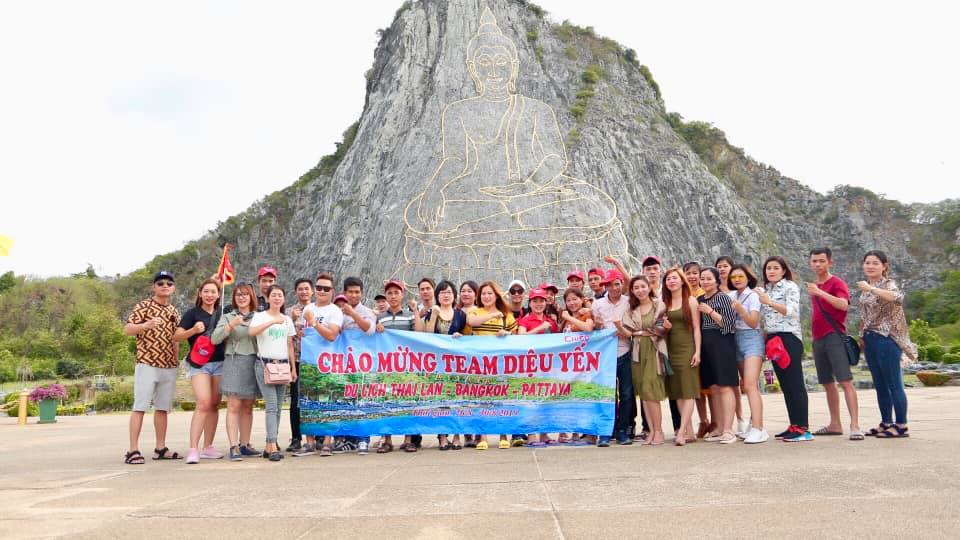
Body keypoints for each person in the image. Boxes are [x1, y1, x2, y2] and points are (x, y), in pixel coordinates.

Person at [122, 271, 182, 464]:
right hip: (147, 361)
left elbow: (176, 338)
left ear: (173, 288)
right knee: (140, 406)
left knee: (163, 408)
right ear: (154, 287)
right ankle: (133, 450)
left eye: (169, 283)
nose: (165, 286)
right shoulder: (144, 306)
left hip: (168, 364)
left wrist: (175, 358)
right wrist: (145, 325)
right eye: (161, 283)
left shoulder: (173, 311)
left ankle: (160, 447)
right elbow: (127, 329)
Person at [857, 250, 917, 439]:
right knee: (880, 384)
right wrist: (861, 336)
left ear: (884, 266)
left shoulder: (888, 284)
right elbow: (865, 314)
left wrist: (871, 289)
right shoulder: (868, 286)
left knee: (894, 383)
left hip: (887, 339)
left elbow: (897, 297)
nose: (870, 266)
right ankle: (886, 422)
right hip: (871, 339)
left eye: (875, 263)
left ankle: (901, 425)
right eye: (867, 263)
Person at [755, 257, 812, 442]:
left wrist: (768, 301)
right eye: (768, 268)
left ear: (783, 270)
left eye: (775, 268)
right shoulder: (768, 289)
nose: (771, 271)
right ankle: (794, 425)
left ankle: (803, 428)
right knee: (786, 385)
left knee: (795, 383)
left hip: (788, 338)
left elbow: (792, 311)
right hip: (773, 339)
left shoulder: (790, 287)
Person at [808, 247, 861, 438]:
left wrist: (820, 293)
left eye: (822, 261)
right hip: (818, 339)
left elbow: (843, 305)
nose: (818, 264)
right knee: (827, 383)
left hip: (834, 337)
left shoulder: (836, 282)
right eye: (814, 261)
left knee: (845, 381)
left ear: (830, 262)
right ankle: (835, 424)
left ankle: (855, 426)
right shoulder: (814, 285)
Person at [175, 279, 226, 464]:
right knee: (203, 403)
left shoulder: (223, 313)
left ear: (218, 294)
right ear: (200, 293)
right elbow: (177, 336)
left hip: (220, 362)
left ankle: (208, 446)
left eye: (213, 292)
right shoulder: (192, 313)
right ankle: (193, 448)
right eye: (206, 291)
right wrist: (193, 330)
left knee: (214, 404)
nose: (210, 295)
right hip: (200, 364)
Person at [294, 273, 343, 457]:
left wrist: (313, 322)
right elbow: (302, 331)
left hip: (328, 362)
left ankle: (327, 442)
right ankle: (309, 441)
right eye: (319, 287)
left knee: (328, 400)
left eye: (326, 289)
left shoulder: (334, 311)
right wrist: (301, 331)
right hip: (308, 360)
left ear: (332, 291)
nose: (322, 291)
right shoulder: (308, 307)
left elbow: (332, 335)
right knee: (307, 401)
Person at [212, 283, 261, 461]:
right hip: (234, 361)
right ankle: (233, 446)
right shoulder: (227, 317)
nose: (241, 297)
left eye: (245, 294)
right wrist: (231, 325)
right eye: (238, 295)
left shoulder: (259, 316)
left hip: (253, 361)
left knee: (248, 406)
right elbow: (215, 339)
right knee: (234, 406)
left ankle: (245, 444)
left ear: (251, 297)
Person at [466, 281, 517, 450]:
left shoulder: (507, 315)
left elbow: (517, 335)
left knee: (501, 400)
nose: (486, 297)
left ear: (496, 295)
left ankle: (503, 435)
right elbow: (471, 322)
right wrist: (492, 315)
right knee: (482, 400)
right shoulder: (475, 311)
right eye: (483, 294)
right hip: (480, 364)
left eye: (490, 293)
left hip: (500, 363)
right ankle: (483, 436)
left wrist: (507, 333)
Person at [248, 285, 296, 462]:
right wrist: (271, 322)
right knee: (272, 406)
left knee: (277, 409)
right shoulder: (260, 316)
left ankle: (272, 444)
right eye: (274, 295)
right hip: (265, 365)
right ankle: (271, 444)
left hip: (282, 366)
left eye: (280, 295)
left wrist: (293, 368)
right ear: (267, 298)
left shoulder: (287, 320)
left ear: (284, 298)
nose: (277, 298)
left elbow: (289, 344)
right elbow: (251, 332)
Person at [375, 280, 421, 454]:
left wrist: (415, 311)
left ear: (402, 295)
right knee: (386, 402)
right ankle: (387, 440)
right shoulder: (380, 317)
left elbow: (418, 333)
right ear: (386, 296)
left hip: (406, 365)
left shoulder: (409, 315)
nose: (393, 296)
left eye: (396, 292)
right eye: (390, 293)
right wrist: (376, 327)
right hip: (386, 366)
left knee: (407, 403)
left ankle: (408, 440)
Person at [622, 276, 668, 445]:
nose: (640, 290)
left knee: (651, 390)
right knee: (643, 392)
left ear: (649, 287)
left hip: (654, 350)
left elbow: (661, 328)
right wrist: (634, 332)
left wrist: (638, 332)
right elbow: (627, 330)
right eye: (636, 288)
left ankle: (659, 431)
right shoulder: (632, 310)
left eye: (643, 286)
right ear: (632, 291)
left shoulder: (659, 305)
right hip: (637, 352)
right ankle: (650, 431)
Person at [423, 280, 468, 450]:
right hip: (437, 364)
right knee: (440, 401)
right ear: (437, 296)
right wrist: (434, 314)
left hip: (456, 364)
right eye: (442, 292)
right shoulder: (431, 312)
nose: (446, 295)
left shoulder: (460, 315)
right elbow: (427, 335)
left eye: (449, 292)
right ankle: (442, 437)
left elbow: (468, 338)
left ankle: (456, 436)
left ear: (454, 295)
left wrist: (460, 336)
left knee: (457, 399)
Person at [697, 267, 739, 444]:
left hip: (722, 344)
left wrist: (710, 312)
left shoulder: (723, 298)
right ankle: (719, 428)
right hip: (706, 346)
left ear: (716, 281)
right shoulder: (699, 299)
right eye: (703, 278)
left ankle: (729, 430)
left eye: (708, 278)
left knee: (725, 386)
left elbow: (729, 326)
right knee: (713, 388)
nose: (705, 281)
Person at [591, 268, 633, 446]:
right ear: (605, 286)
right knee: (606, 395)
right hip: (605, 355)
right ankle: (605, 432)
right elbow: (595, 330)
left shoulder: (629, 302)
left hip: (625, 351)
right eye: (610, 284)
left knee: (626, 394)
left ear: (622, 284)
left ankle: (622, 430)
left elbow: (633, 325)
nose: (614, 288)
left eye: (617, 284)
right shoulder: (598, 304)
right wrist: (597, 326)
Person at [727, 264, 767, 443]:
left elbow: (753, 322)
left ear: (748, 278)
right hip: (735, 340)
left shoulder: (754, 295)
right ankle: (752, 425)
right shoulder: (730, 295)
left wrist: (740, 310)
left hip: (752, 339)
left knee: (751, 384)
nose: (736, 279)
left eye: (740, 276)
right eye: (733, 277)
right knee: (745, 384)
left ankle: (759, 428)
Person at [661, 267, 701, 446]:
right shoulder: (665, 303)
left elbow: (696, 328)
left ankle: (681, 432)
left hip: (687, 348)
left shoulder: (691, 300)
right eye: (668, 279)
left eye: (674, 278)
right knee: (677, 392)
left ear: (681, 280)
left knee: (688, 390)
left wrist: (697, 351)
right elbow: (661, 329)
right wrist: (666, 328)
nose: (671, 281)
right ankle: (690, 431)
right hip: (671, 349)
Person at [339, 276, 378, 454]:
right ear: (345, 293)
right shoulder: (336, 311)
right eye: (350, 292)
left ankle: (364, 439)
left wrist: (353, 314)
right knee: (347, 401)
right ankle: (349, 440)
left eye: (357, 292)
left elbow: (369, 330)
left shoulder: (367, 311)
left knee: (363, 401)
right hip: (344, 362)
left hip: (364, 362)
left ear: (361, 293)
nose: (354, 295)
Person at [518, 287, 561, 446]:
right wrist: (538, 329)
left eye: (541, 301)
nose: (538, 304)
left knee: (546, 399)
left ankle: (544, 433)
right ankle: (532, 434)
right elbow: (520, 338)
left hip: (548, 366)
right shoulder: (525, 320)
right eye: (535, 301)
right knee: (531, 400)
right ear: (530, 303)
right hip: (530, 367)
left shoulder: (551, 321)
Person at [285, 278, 314, 453]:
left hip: (316, 361)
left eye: (306, 289)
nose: (303, 292)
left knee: (316, 399)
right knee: (296, 401)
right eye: (300, 289)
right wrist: (292, 319)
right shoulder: (289, 311)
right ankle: (296, 437)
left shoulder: (318, 310)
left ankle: (317, 437)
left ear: (312, 291)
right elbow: (283, 334)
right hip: (296, 359)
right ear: (296, 292)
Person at [684, 261, 712, 437]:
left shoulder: (705, 294)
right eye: (689, 273)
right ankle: (704, 421)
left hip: (707, 343)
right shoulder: (684, 295)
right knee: (698, 389)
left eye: (696, 273)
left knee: (712, 388)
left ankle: (716, 421)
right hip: (689, 344)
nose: (692, 276)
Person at [457, 280, 481, 447]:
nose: (466, 293)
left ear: (475, 294)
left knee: (479, 396)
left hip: (478, 359)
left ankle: (479, 432)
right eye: (463, 291)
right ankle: (467, 434)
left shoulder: (481, 311)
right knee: (463, 397)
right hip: (460, 360)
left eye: (469, 291)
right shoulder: (455, 312)